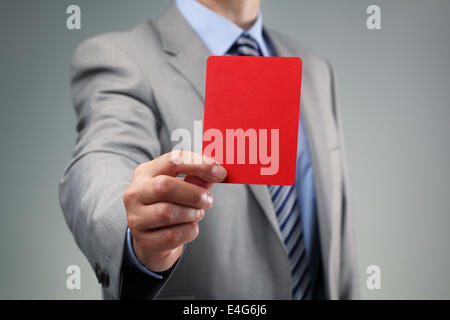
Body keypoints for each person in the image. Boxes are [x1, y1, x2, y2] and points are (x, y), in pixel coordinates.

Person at [59, 0, 358, 300]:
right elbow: (101, 161)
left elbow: (337, 249)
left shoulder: (316, 71)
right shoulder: (122, 58)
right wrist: (132, 225)